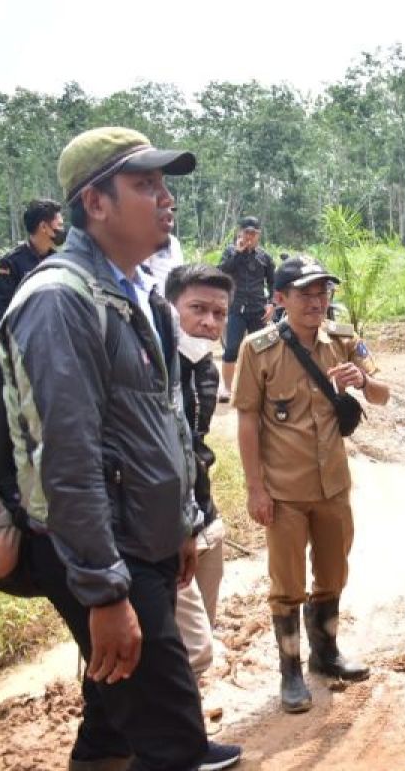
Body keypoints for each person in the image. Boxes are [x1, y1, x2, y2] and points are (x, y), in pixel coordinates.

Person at [0, 126, 240, 771]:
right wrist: (104, 595)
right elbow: (66, 461)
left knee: (115, 708)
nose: (166, 199)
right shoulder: (59, 302)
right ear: (95, 203)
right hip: (109, 550)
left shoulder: (140, 297)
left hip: (148, 539)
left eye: (164, 185)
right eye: (145, 184)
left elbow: (167, 426)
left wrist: (183, 523)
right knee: (171, 734)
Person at [232, 255, 389, 714]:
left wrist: (362, 380)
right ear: (280, 299)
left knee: (333, 573)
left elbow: (383, 394)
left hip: (333, 487)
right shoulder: (258, 350)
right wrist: (255, 488)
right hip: (284, 490)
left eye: (323, 293)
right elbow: (245, 421)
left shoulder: (344, 340)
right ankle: (291, 671)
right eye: (305, 294)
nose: (316, 302)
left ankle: (327, 653)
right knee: (287, 584)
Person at [165, 263, 233, 678]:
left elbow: (196, 445)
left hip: (204, 514)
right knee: (183, 645)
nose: (209, 321)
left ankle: (187, 729)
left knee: (203, 626)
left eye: (220, 313)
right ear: (172, 307)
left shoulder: (206, 368)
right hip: (169, 522)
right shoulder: (152, 363)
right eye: (197, 308)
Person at [0, 198, 64, 345]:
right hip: (21, 341)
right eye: (59, 225)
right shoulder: (11, 262)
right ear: (43, 227)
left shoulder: (58, 261)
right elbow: (0, 309)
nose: (62, 230)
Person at [218, 216, 274, 400]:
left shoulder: (265, 257)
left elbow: (273, 283)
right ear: (240, 232)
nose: (250, 236)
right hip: (237, 309)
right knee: (232, 348)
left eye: (253, 233)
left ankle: (261, 389)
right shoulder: (230, 252)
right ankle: (226, 388)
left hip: (258, 310)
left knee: (262, 349)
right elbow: (220, 273)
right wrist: (238, 253)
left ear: (259, 235)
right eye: (246, 232)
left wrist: (272, 304)